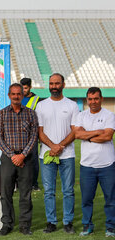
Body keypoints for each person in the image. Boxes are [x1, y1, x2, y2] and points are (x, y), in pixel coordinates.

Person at [36, 73, 79, 234]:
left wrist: (60, 146)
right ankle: (51, 222)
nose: (54, 86)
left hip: (67, 154)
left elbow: (75, 131)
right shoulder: (41, 105)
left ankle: (68, 222)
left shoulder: (72, 105)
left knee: (68, 190)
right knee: (49, 191)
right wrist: (53, 146)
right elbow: (40, 132)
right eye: (51, 83)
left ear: (63, 84)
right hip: (47, 155)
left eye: (57, 83)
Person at [0, 83, 38, 236]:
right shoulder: (1, 114)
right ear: (9, 95)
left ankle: (25, 225)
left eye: (19, 94)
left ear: (22, 95)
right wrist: (13, 155)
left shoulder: (31, 113)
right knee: (6, 194)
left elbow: (34, 136)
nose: (16, 96)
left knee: (25, 194)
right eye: (13, 94)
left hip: (25, 159)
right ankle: (7, 224)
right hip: (8, 159)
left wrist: (22, 155)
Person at [74, 87, 115, 237]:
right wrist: (98, 131)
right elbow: (77, 134)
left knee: (110, 198)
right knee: (86, 199)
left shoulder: (109, 115)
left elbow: (107, 136)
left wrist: (88, 136)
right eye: (90, 99)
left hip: (107, 164)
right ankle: (87, 226)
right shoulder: (81, 115)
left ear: (101, 99)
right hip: (87, 166)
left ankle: (110, 227)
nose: (93, 102)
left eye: (96, 98)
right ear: (87, 100)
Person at [20, 77, 41, 191]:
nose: (23, 90)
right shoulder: (17, 97)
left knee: (33, 160)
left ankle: (34, 183)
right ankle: (20, 183)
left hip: (32, 134)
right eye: (22, 87)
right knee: (20, 159)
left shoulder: (37, 99)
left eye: (26, 88)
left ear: (30, 87)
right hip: (19, 135)